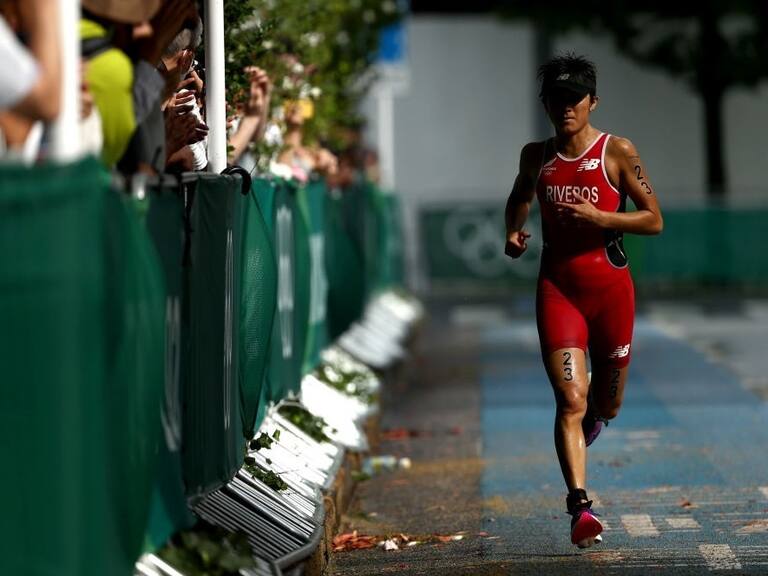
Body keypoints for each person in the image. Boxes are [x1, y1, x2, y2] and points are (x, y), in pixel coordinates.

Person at [504, 53, 663, 548]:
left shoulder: (617, 151)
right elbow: (519, 197)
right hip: (558, 289)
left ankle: (600, 413)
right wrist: (514, 229)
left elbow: (653, 218)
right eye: (556, 99)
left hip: (611, 289)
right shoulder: (536, 155)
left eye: (575, 99)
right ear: (545, 104)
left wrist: (603, 218)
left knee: (606, 404)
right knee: (568, 399)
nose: (566, 107)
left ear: (593, 101)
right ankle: (580, 506)